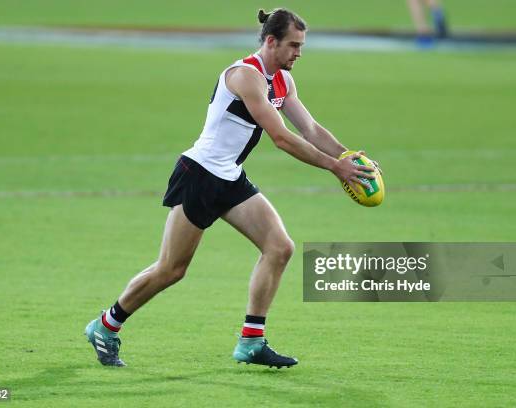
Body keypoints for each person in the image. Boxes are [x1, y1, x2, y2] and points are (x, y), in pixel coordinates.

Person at [85, 8, 376, 369]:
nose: (299, 53)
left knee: (279, 246)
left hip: (229, 176)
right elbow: (282, 137)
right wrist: (335, 168)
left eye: (301, 46)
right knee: (172, 269)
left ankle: (251, 343)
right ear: (270, 41)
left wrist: (349, 157)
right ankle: (105, 325)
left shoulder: (283, 81)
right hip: (200, 175)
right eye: (293, 45)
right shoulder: (244, 76)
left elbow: (310, 129)